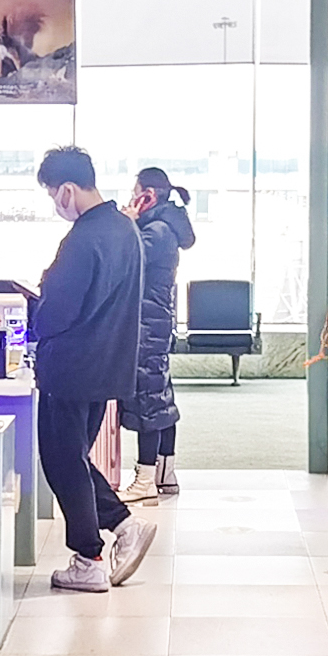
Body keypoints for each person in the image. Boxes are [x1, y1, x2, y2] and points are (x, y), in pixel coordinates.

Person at [28, 146, 154, 593]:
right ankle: (121, 527)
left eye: (53, 195)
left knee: (61, 461)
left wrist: (37, 312)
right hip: (107, 364)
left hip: (70, 365)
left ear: (67, 189)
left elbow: (59, 310)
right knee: (73, 458)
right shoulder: (124, 229)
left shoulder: (83, 239)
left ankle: (90, 558)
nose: (55, 204)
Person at [125, 166, 196, 501]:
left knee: (148, 401)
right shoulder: (163, 227)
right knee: (160, 397)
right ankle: (165, 474)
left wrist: (127, 223)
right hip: (154, 322)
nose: (130, 199)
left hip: (145, 325)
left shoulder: (155, 232)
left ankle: (145, 480)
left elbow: (123, 261)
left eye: (134, 192)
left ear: (148, 196)